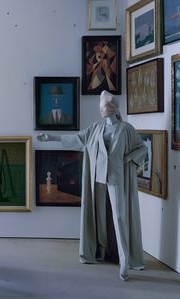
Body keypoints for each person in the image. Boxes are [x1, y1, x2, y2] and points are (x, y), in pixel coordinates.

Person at [37, 90, 147, 281]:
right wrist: (52, 138)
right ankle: (102, 251)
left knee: (120, 218)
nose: (101, 110)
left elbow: (142, 148)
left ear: (111, 108)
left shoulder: (126, 129)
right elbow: (77, 139)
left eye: (103, 107)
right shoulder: (96, 128)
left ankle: (124, 261)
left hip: (116, 178)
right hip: (97, 178)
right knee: (99, 217)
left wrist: (128, 158)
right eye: (101, 107)